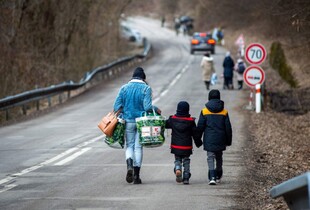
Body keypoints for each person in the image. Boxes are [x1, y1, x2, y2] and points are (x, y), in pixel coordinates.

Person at [113, 67, 159, 184]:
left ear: (132, 77)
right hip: (141, 122)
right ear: (143, 78)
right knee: (138, 147)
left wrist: (125, 108)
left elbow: (116, 107)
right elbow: (148, 107)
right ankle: (137, 176)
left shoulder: (124, 88)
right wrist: (155, 109)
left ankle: (129, 165)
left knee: (129, 146)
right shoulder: (146, 88)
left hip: (128, 121)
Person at [196, 89, 232, 185]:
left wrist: (197, 139)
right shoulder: (224, 112)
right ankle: (218, 174)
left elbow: (200, 127)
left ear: (209, 97)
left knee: (210, 157)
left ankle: (212, 177)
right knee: (219, 156)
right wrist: (228, 141)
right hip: (221, 138)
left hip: (209, 139)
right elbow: (228, 128)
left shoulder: (204, 111)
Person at [165, 101, 202, 185]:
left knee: (177, 159)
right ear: (188, 110)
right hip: (187, 147)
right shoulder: (191, 121)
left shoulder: (172, 119)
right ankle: (186, 177)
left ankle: (178, 168)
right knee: (186, 160)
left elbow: (165, 124)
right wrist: (198, 143)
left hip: (176, 146)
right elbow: (195, 134)